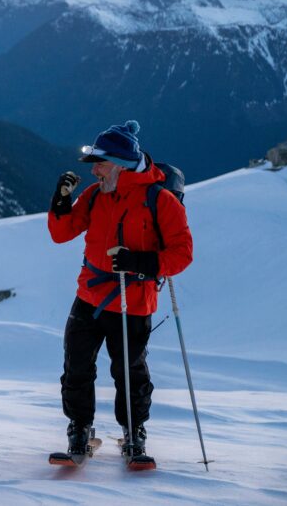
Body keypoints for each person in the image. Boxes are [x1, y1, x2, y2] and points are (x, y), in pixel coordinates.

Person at [48, 120, 192, 458]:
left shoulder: (160, 200)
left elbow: (182, 253)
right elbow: (62, 232)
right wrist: (60, 201)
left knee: (129, 372)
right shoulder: (95, 195)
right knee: (76, 367)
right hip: (89, 296)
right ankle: (79, 429)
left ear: (121, 165)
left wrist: (139, 262)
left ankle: (133, 431)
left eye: (100, 163)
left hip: (134, 301)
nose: (94, 170)